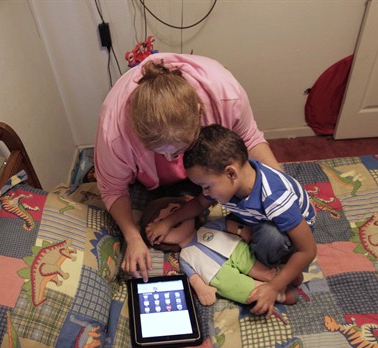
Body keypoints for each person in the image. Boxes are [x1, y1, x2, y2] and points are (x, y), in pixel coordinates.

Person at [94, 53, 281, 282]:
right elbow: (112, 189)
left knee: (274, 236)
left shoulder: (226, 95)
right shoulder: (113, 134)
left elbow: (250, 139)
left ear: (200, 114)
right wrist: (133, 237)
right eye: (160, 152)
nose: (170, 158)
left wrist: (281, 188)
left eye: (178, 151)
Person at [146, 124, 316, 317]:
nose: (205, 193)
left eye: (207, 186)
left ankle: (281, 269)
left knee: (269, 238)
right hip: (255, 217)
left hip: (288, 233)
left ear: (231, 173)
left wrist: (274, 287)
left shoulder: (274, 198)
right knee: (227, 231)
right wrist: (168, 221)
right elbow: (199, 203)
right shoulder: (230, 185)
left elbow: (308, 250)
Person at [140, 196, 299, 307]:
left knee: (257, 267)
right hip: (217, 274)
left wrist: (242, 230)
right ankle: (279, 295)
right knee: (238, 287)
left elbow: (227, 225)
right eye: (160, 223)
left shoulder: (208, 227)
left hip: (234, 249)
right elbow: (194, 277)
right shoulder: (185, 258)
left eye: (175, 211)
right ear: (158, 240)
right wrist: (202, 289)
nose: (171, 222)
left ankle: (281, 275)